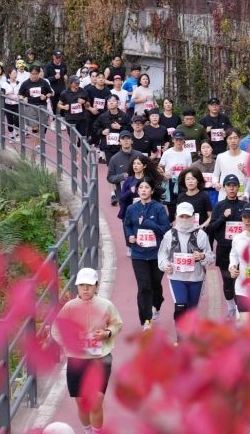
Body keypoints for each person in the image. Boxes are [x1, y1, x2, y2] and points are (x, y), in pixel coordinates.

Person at [51, 267, 122, 434]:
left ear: (96, 286)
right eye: (82, 285)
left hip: (100, 358)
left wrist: (107, 333)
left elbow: (117, 323)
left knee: (96, 403)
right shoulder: (69, 307)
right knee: (81, 403)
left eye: (89, 285)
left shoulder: (106, 305)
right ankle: (87, 430)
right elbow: (56, 329)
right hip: (77, 360)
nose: (85, 289)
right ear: (77, 286)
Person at [157, 202, 214, 340]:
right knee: (181, 306)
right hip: (176, 277)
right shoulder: (169, 235)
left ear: (193, 217)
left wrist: (202, 256)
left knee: (191, 310)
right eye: (181, 216)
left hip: (196, 278)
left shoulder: (201, 235)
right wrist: (165, 265)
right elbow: (162, 254)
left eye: (187, 216)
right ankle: (181, 339)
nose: (184, 219)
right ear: (176, 216)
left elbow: (211, 256)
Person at [124, 177, 171, 329]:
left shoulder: (159, 208)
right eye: (141, 188)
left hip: (157, 254)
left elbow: (166, 230)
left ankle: (157, 302)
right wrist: (130, 236)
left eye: (146, 187)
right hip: (138, 254)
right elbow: (127, 225)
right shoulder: (132, 209)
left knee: (155, 284)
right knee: (144, 287)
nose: (143, 190)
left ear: (152, 190)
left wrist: (149, 223)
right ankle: (146, 320)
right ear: (137, 190)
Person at [206, 174, 247, 320]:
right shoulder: (219, 206)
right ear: (224, 188)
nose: (232, 188)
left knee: (240, 281)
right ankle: (230, 306)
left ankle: (239, 309)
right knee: (228, 282)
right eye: (229, 185)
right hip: (224, 249)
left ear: (238, 188)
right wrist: (223, 217)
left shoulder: (244, 206)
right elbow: (211, 228)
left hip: (241, 250)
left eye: (234, 185)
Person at [158, 130, 193, 221]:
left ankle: (183, 224)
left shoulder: (187, 153)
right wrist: (163, 174)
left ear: (183, 140)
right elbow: (159, 166)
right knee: (171, 208)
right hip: (171, 182)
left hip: (183, 182)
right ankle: (171, 225)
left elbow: (190, 168)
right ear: (173, 140)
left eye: (180, 140)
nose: (178, 142)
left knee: (183, 206)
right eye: (176, 139)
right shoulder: (167, 153)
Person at [18, 65, 53, 151]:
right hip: (30, 107)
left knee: (42, 126)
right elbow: (19, 94)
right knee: (34, 126)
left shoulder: (44, 82)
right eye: (32, 74)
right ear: (30, 73)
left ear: (39, 73)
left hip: (42, 106)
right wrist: (23, 98)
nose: (34, 76)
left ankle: (39, 141)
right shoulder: (25, 83)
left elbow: (50, 93)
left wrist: (45, 96)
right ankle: (37, 144)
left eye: (36, 74)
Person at [119, 154, 163, 221]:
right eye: (134, 163)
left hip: (147, 213)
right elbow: (121, 199)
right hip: (130, 213)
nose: (135, 165)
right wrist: (130, 192)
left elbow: (156, 197)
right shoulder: (128, 180)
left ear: (144, 166)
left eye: (138, 164)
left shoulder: (149, 180)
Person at [106, 130, 142, 206]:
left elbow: (148, 172)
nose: (126, 141)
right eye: (123, 139)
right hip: (123, 196)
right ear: (119, 142)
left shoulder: (139, 155)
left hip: (139, 195)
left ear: (132, 141)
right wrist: (122, 176)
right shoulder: (114, 158)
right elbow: (110, 177)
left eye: (128, 138)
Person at [213, 128, 249, 201]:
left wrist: (246, 194)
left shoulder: (247, 156)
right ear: (226, 140)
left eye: (235, 138)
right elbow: (215, 175)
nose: (233, 141)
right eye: (230, 138)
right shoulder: (220, 157)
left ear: (240, 139)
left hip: (241, 195)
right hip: (224, 196)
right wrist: (215, 183)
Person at [97, 94, 131, 164]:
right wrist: (102, 132)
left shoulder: (125, 116)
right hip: (108, 146)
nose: (111, 103)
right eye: (109, 101)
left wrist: (120, 127)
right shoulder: (102, 116)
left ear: (118, 103)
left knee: (122, 165)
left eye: (113, 101)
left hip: (121, 146)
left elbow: (130, 129)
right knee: (111, 166)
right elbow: (95, 128)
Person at [58, 76, 89, 145]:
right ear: (71, 83)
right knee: (72, 139)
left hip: (82, 118)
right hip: (70, 119)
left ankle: (80, 143)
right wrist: (64, 107)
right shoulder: (65, 93)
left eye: (78, 82)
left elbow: (88, 104)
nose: (77, 84)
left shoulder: (83, 91)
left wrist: (84, 102)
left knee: (83, 138)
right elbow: (59, 104)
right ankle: (73, 151)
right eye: (76, 83)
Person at [84, 71, 111, 148]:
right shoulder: (89, 90)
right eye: (99, 78)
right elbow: (85, 103)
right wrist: (91, 109)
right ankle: (85, 151)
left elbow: (109, 103)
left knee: (99, 135)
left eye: (103, 78)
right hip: (90, 116)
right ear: (96, 79)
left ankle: (98, 148)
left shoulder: (107, 91)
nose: (101, 79)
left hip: (102, 117)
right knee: (88, 136)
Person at [191, 141, 218, 207]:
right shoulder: (194, 165)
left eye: (208, 147)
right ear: (200, 151)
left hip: (214, 192)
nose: (206, 150)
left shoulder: (217, 164)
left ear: (212, 149)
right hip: (200, 192)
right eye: (203, 148)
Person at [45, 49, 68, 117]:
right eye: (57, 57)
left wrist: (65, 76)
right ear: (53, 57)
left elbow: (65, 73)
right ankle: (54, 120)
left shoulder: (63, 65)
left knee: (63, 107)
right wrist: (54, 77)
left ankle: (63, 119)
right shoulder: (49, 66)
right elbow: (45, 79)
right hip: (53, 91)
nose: (58, 59)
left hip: (62, 90)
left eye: (60, 57)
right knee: (54, 108)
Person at [2, 69, 21, 141]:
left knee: (17, 119)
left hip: (17, 104)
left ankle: (16, 133)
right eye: (14, 73)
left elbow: (22, 93)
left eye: (16, 73)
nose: (15, 75)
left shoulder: (19, 83)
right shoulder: (5, 84)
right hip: (8, 104)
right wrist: (8, 93)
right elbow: (1, 93)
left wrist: (20, 95)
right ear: (9, 74)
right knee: (10, 121)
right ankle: (11, 135)